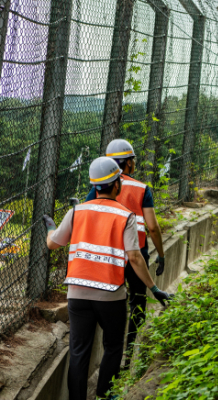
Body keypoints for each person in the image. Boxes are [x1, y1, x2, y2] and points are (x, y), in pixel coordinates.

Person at [43, 157, 173, 400]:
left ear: (95, 186)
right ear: (116, 185)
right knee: (113, 347)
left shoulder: (77, 211)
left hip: (77, 294)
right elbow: (134, 258)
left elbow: (52, 243)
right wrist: (154, 289)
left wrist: (50, 227)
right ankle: (104, 395)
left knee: (78, 351)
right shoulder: (126, 216)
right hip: (110, 296)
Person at [85, 139, 166, 362]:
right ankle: (128, 353)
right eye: (132, 160)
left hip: (109, 254)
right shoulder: (142, 189)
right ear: (128, 162)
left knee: (112, 303)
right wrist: (160, 254)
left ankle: (110, 353)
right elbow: (153, 227)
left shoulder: (97, 188)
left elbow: (87, 214)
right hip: (136, 254)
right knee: (137, 302)